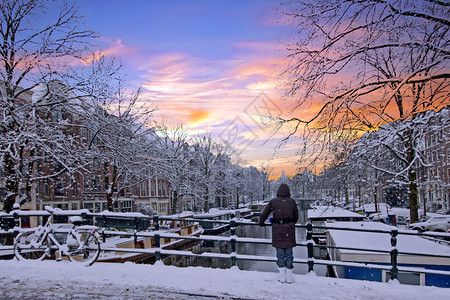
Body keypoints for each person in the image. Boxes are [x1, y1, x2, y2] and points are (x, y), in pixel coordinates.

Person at [259, 183, 299, 283]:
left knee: (280, 253)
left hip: (277, 230)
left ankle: (282, 276)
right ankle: (289, 277)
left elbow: (265, 213)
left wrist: (261, 222)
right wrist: (290, 222)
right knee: (289, 253)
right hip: (289, 230)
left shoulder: (273, 202)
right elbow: (296, 217)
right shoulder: (292, 202)